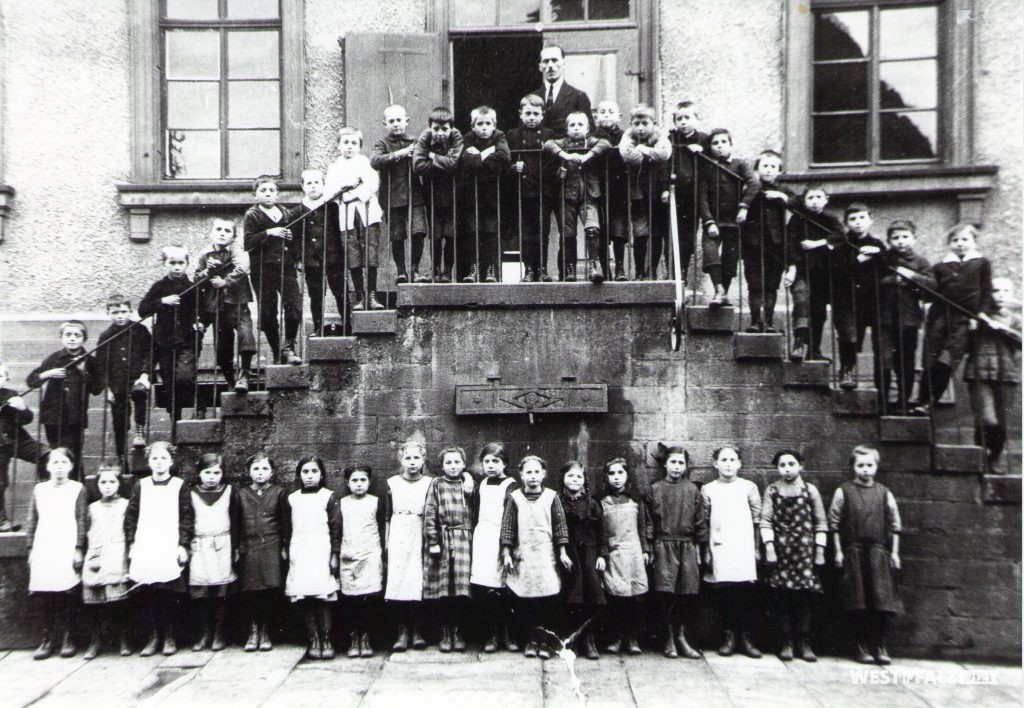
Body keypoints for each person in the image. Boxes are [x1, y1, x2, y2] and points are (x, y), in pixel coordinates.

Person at [828, 445, 902, 665]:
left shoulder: (884, 493)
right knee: (857, 601)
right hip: (853, 553)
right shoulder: (844, 491)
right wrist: (839, 551)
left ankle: (879, 644)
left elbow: (895, 525)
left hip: (878, 554)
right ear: (853, 467)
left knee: (880, 601)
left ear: (876, 467)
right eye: (860, 465)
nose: (865, 469)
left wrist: (895, 553)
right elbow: (834, 524)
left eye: (870, 465)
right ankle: (860, 645)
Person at [915, 223, 996, 412]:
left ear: (975, 242)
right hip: (940, 317)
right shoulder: (941, 266)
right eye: (955, 240)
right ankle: (922, 401)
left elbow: (986, 291)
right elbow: (931, 291)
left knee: (948, 358)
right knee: (931, 357)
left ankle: (931, 400)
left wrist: (981, 314)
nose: (960, 244)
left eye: (965, 239)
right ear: (949, 243)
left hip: (965, 319)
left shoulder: (982, 263)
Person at [124, 440, 194, 657]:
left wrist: (183, 545)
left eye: (164, 458)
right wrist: (132, 543)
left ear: (171, 461)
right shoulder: (141, 485)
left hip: (168, 543)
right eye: (155, 458)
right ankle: (153, 637)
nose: (159, 462)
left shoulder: (179, 486)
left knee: (168, 592)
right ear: (149, 462)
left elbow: (186, 516)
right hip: (147, 543)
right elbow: (131, 515)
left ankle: (170, 636)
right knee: (149, 592)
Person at [501, 454, 572, 659]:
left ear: (544, 474)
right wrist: (506, 552)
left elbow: (560, 527)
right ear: (521, 475)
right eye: (528, 472)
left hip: (546, 556)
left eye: (537, 472)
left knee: (547, 600)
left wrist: (562, 552)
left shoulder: (552, 497)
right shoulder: (514, 498)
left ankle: (545, 641)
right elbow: (507, 528)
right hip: (524, 556)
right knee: (526, 601)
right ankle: (531, 640)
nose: (533, 476)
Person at [760, 450, 827, 662]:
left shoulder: (810, 490)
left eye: (791, 464)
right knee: (783, 597)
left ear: (801, 466)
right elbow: (765, 520)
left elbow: (821, 522)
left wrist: (819, 551)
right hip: (781, 552)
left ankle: (804, 641)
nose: (787, 468)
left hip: (805, 551)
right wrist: (769, 547)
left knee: (804, 597)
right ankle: (786, 641)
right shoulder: (772, 490)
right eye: (782, 465)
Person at [701, 446, 762, 658]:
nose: (728, 464)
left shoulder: (749, 487)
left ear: (739, 463)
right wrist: (707, 551)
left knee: (745, 592)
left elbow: (757, 520)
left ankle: (745, 638)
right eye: (723, 459)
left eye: (732, 459)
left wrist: (756, 548)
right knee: (726, 592)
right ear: (715, 463)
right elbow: (705, 522)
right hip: (720, 546)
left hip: (743, 546)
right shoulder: (708, 489)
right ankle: (729, 637)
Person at [26, 447, 86, 660]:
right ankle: (48, 638)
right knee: (46, 595)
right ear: (47, 466)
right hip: (45, 546)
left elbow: (81, 520)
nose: (59, 467)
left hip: (66, 545)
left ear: (71, 466)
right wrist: (31, 548)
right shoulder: (39, 490)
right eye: (55, 463)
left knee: (67, 593)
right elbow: (32, 520)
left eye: (63, 463)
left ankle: (69, 638)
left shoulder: (78, 489)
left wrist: (78, 548)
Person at [649, 445, 705, 659]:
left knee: (686, 593)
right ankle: (669, 638)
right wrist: (650, 547)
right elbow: (649, 522)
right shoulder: (655, 488)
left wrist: (700, 549)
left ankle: (682, 637)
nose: (677, 466)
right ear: (665, 464)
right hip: (664, 545)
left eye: (681, 463)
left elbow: (700, 522)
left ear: (686, 466)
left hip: (687, 546)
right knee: (666, 594)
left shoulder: (692, 490)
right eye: (673, 462)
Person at [26, 320, 101, 477]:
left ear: (84, 338)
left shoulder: (90, 360)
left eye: (77, 335)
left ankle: (76, 490)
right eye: (68, 335)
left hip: (75, 419)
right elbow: (31, 380)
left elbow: (97, 388)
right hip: (52, 418)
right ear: (61, 338)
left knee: (73, 456)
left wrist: (84, 373)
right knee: (56, 455)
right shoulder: (55, 358)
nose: (72, 338)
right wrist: (49, 373)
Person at [137, 245, 203, 422]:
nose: (176, 267)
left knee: (185, 376)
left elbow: (201, 309)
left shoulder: (192, 286)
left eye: (181, 263)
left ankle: (199, 405)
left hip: (187, 341)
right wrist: (162, 301)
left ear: (187, 264)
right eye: (172, 263)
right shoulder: (159, 287)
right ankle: (175, 422)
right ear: (164, 264)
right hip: (164, 342)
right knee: (169, 384)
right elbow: (143, 309)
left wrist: (200, 322)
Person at [242, 175, 302, 365]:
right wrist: (269, 232)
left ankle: (289, 347)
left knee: (295, 306)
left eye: (272, 191)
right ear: (255, 195)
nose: (268, 194)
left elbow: (296, 239)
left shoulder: (286, 213)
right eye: (263, 191)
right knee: (268, 313)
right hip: (263, 270)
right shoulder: (252, 215)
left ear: (277, 194)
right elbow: (247, 242)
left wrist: (295, 249)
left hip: (286, 267)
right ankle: (277, 351)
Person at [544, 111, 610, 283]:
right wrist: (565, 155)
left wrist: (587, 156)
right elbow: (548, 144)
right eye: (572, 125)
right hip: (567, 197)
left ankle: (594, 265)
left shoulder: (591, 142)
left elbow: (605, 144)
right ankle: (569, 268)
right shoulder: (563, 143)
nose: (576, 128)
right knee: (568, 234)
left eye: (580, 125)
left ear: (588, 128)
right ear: (566, 129)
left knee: (592, 229)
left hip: (589, 196)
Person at [964, 277, 1022, 473]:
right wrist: (974, 326)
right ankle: (981, 455)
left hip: (1007, 376)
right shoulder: (978, 316)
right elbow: (964, 340)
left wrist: (1003, 329)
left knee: (1002, 424)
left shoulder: (1016, 319)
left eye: (1006, 291)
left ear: (1012, 294)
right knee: (987, 419)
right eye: (996, 291)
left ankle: (994, 457)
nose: (1001, 295)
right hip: (979, 374)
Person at [287, 456, 341, 661]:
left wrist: (334, 555)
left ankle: (327, 639)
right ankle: (314, 639)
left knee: (322, 594)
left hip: (321, 549)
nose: (310, 476)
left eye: (314, 471)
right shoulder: (292, 498)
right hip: (300, 549)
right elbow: (287, 527)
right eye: (305, 472)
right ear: (299, 475)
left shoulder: (328, 497)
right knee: (304, 593)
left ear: (322, 474)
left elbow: (336, 529)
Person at [878, 220, 935, 412]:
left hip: (909, 319)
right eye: (895, 238)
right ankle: (882, 401)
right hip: (884, 318)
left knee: (906, 361)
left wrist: (911, 276)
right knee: (884, 360)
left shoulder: (920, 262)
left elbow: (932, 288)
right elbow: (871, 281)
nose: (900, 241)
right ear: (889, 240)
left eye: (905, 237)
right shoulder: (883, 260)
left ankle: (903, 401)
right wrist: (892, 280)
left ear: (914, 238)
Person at [326, 127, 386, 311]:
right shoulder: (334, 167)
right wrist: (343, 188)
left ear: (359, 147)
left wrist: (352, 195)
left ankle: (372, 295)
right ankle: (360, 296)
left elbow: (372, 183)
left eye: (354, 143)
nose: (349, 147)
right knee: (353, 256)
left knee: (370, 253)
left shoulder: (363, 163)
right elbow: (329, 191)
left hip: (366, 213)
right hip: (346, 216)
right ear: (338, 146)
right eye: (345, 143)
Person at [738, 150, 797, 333]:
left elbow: (798, 204)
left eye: (773, 167)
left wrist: (782, 198)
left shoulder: (783, 190)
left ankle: (769, 322)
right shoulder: (751, 187)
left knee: (771, 284)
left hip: (776, 245)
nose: (768, 170)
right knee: (754, 283)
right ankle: (755, 321)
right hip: (752, 243)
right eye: (765, 166)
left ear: (778, 171)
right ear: (757, 169)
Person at [195, 218, 257, 393]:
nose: (222, 233)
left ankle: (245, 374)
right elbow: (196, 278)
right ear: (211, 233)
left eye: (227, 230)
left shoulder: (238, 250)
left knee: (246, 334)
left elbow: (242, 268)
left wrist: (225, 281)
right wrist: (207, 271)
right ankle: (230, 380)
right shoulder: (205, 254)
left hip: (237, 301)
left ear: (234, 236)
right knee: (222, 347)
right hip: (216, 306)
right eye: (219, 229)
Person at [423, 446, 475, 652]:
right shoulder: (436, 484)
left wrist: (469, 478)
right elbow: (430, 513)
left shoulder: (470, 484)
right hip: (443, 541)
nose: (452, 466)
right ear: (442, 466)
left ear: (464, 464)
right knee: (443, 590)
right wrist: (433, 541)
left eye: (456, 462)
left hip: (464, 540)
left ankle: (458, 631)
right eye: (448, 463)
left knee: (461, 590)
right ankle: (445, 632)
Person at [237, 451, 289, 652]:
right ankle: (253, 631)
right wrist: (237, 547)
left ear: (272, 472)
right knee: (251, 591)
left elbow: (285, 523)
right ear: (249, 472)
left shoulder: (278, 493)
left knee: (269, 590)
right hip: (249, 549)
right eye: (256, 469)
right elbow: (236, 523)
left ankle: (266, 631)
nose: (260, 472)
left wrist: (284, 546)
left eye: (265, 468)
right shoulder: (241, 494)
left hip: (271, 547)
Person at [831, 203, 887, 390]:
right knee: (849, 336)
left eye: (862, 218)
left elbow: (887, 268)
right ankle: (847, 372)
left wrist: (878, 254)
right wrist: (857, 261)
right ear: (847, 223)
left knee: (879, 343)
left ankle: (882, 387)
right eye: (853, 219)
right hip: (846, 300)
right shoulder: (842, 245)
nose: (858, 223)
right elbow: (836, 272)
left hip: (872, 300)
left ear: (870, 220)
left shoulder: (878, 245)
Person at [597, 456, 650, 655]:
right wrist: (603, 553)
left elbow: (643, 526)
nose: (616, 478)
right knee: (617, 596)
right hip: (614, 553)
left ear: (627, 475)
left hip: (635, 552)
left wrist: (645, 549)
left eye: (620, 473)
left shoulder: (636, 499)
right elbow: (600, 531)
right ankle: (618, 637)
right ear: (606, 476)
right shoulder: (601, 500)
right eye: (612, 473)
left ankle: (633, 638)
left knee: (636, 597)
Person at [699, 129, 758, 307]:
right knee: (710, 252)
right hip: (714, 222)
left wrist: (744, 207)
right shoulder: (707, 167)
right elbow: (701, 197)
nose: (720, 146)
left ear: (730, 145)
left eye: (724, 142)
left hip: (734, 222)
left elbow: (754, 183)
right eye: (715, 143)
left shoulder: (740, 165)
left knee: (730, 260)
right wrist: (708, 221)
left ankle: (722, 294)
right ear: (710, 147)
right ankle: (719, 290)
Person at [372, 105, 430, 284]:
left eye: (399, 120)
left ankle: (415, 270)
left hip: (415, 196)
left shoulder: (415, 141)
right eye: (391, 121)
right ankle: (401, 271)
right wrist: (400, 153)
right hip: (392, 197)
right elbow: (375, 161)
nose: (396, 124)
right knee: (397, 235)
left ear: (406, 121)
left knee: (419, 232)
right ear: (385, 124)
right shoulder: (382, 144)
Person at [471, 441, 518, 653]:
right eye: (487, 461)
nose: (490, 465)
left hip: (502, 536)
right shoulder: (480, 483)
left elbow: (511, 514)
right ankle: (491, 634)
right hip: (483, 536)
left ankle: (506, 633)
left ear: (505, 463)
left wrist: (507, 543)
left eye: (496, 461)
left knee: (504, 587)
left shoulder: (511, 484)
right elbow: (475, 510)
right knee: (486, 586)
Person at [188, 453, 239, 652]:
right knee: (201, 593)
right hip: (199, 546)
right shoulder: (192, 493)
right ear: (199, 474)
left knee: (220, 593)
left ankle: (219, 634)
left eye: (216, 472)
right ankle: (204, 633)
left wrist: (235, 548)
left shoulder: (229, 492)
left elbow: (235, 522)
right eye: (207, 472)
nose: (212, 477)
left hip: (222, 545)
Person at [787, 186, 844, 361]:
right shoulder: (797, 220)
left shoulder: (830, 219)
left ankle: (814, 350)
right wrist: (792, 267)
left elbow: (841, 237)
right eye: (810, 198)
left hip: (823, 272)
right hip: (802, 269)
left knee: (819, 311)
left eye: (819, 197)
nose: (815, 201)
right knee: (801, 300)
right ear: (804, 201)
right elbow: (789, 244)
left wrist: (818, 243)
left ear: (826, 200)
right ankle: (798, 345)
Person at [385, 440, 433, 650]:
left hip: (420, 530)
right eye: (408, 458)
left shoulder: (430, 482)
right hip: (399, 531)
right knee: (399, 581)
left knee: (418, 580)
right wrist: (387, 542)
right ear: (401, 460)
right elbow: (387, 516)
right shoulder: (393, 482)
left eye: (416, 458)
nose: (412, 462)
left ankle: (418, 630)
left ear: (423, 460)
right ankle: (402, 631)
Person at [81, 463, 132, 659]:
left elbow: (129, 531)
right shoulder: (92, 508)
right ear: (98, 485)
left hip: (117, 556)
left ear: (119, 483)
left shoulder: (125, 505)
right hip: (97, 555)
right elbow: (86, 532)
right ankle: (95, 641)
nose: (108, 486)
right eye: (103, 482)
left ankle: (123, 640)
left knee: (118, 603)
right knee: (94, 603)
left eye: (112, 481)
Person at [288, 168, 348, 333]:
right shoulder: (296, 212)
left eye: (317, 182)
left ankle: (348, 326)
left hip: (333, 257)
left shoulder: (332, 207)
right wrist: (299, 259)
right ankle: (318, 327)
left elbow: (338, 232)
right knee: (316, 296)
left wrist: (343, 254)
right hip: (311, 260)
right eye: (309, 183)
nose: (313, 186)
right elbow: (295, 238)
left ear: (323, 185)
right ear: (302, 186)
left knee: (340, 292)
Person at [505, 94, 556, 282]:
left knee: (542, 231)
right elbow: (505, 160)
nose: (532, 117)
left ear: (542, 115)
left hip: (543, 191)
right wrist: (513, 168)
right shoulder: (512, 135)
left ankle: (541, 269)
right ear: (520, 114)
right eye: (528, 113)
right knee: (526, 233)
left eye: (536, 113)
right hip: (522, 191)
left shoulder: (549, 135)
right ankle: (528, 270)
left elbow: (553, 160)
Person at [94, 293, 152, 455]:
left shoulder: (140, 330)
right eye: (115, 313)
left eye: (123, 312)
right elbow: (101, 364)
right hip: (117, 382)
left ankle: (140, 429)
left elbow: (150, 353)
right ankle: (121, 455)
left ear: (130, 311)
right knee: (119, 418)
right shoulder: (106, 336)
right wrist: (107, 388)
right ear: (108, 313)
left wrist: (145, 374)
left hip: (138, 377)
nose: (120, 316)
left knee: (139, 393)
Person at [458, 106, 511, 283]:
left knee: (491, 232)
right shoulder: (467, 138)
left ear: (494, 125)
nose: (484, 127)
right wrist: (489, 155)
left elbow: (504, 156)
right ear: (473, 126)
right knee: (472, 232)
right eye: (479, 124)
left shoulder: (500, 137)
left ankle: (491, 269)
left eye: (488, 123)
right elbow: (466, 161)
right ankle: (473, 268)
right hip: (472, 195)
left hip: (492, 196)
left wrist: (480, 155)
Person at [558, 460, 604, 660]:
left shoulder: (592, 503)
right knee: (572, 596)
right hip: (569, 554)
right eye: (570, 476)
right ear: (563, 478)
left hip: (590, 555)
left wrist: (602, 555)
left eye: (579, 476)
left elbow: (602, 531)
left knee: (592, 596)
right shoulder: (557, 501)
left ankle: (589, 639)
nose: (575, 480)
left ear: (584, 480)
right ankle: (573, 639)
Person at [619, 104, 672, 280]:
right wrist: (649, 154)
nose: (640, 128)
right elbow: (627, 155)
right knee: (640, 233)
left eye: (645, 123)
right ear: (631, 124)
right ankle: (640, 271)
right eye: (636, 123)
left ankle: (653, 270)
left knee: (656, 234)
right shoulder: (627, 136)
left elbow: (664, 153)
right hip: (638, 194)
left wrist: (644, 149)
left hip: (657, 193)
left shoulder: (661, 136)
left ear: (653, 123)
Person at [413, 107, 464, 283]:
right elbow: (418, 166)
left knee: (450, 235)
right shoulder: (425, 137)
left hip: (453, 194)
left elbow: (452, 164)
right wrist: (442, 165)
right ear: (430, 127)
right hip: (432, 195)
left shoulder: (456, 137)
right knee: (435, 235)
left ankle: (448, 272)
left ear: (451, 128)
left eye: (445, 129)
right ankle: (435, 270)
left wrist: (432, 155)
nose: (440, 133)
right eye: (436, 129)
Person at [338, 463, 384, 658]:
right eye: (354, 480)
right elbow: (337, 529)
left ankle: (365, 637)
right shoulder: (341, 503)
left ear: (369, 482)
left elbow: (381, 527)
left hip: (370, 554)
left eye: (363, 480)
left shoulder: (375, 502)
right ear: (348, 483)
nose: (359, 484)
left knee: (368, 599)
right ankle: (353, 637)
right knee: (351, 599)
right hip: (349, 554)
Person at [668, 100, 710, 289]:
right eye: (679, 118)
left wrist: (702, 152)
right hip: (675, 194)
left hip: (694, 196)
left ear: (697, 119)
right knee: (672, 235)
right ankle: (673, 274)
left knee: (688, 236)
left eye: (687, 117)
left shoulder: (704, 139)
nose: (683, 122)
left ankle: (682, 273)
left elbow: (713, 162)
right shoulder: (671, 138)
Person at [0, 362, 46, 531]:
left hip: (18, 440)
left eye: (0, 376)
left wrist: (22, 408)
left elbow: (27, 419)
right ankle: (1, 521)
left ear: (6, 378)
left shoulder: (11, 394)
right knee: (0, 481)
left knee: (47, 455)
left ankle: (48, 499)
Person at [593, 100, 629, 281]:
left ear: (620, 117)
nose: (606, 114)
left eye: (611, 111)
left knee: (619, 230)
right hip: (599, 188)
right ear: (596, 117)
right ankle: (604, 268)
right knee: (601, 229)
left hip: (619, 189)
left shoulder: (625, 136)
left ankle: (620, 268)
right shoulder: (592, 137)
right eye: (602, 111)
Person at [535, 45, 593, 137]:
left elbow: (590, 130)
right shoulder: (533, 97)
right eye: (546, 61)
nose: (550, 65)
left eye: (554, 60)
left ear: (564, 63)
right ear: (540, 66)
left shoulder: (578, 96)